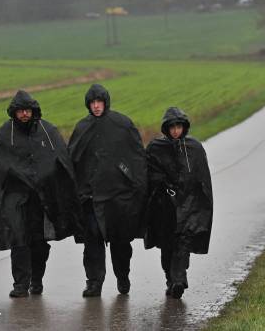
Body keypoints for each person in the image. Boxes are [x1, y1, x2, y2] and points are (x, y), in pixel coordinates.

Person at [0, 90, 83, 298]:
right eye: (20, 111)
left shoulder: (47, 131)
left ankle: (36, 279)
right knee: (19, 240)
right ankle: (20, 284)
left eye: (27, 110)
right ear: (14, 112)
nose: (24, 114)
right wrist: (17, 176)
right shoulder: (5, 134)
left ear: (33, 111)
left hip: (42, 197)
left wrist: (53, 182)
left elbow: (61, 159)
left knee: (39, 242)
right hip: (16, 197)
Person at [68, 84, 147, 297]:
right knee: (92, 242)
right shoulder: (82, 128)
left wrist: (136, 186)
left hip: (118, 197)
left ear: (105, 102)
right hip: (91, 198)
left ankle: (123, 276)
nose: (95, 106)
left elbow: (137, 157)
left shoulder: (122, 125)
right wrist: (76, 191)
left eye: (99, 102)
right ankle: (94, 282)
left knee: (120, 242)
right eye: (92, 103)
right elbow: (72, 161)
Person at [145, 107, 213, 299]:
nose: (176, 130)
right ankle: (170, 278)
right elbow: (149, 176)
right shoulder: (156, 148)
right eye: (172, 127)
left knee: (183, 243)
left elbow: (203, 178)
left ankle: (179, 279)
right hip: (165, 207)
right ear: (166, 128)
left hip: (189, 205)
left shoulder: (195, 148)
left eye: (179, 126)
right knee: (167, 247)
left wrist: (201, 204)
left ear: (184, 127)